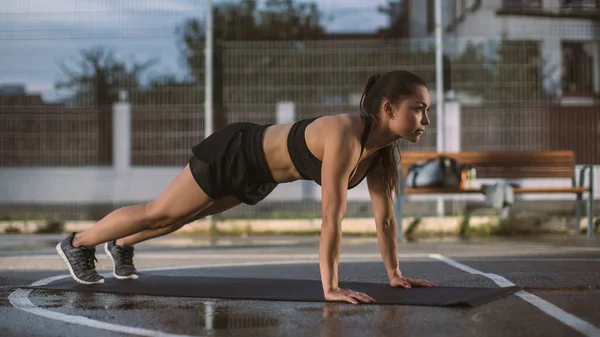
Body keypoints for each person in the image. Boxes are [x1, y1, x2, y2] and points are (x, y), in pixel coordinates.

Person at [56, 69, 436, 305]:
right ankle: (76, 244)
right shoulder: (345, 133)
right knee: (162, 212)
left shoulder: (384, 154)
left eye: (426, 110)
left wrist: (394, 274)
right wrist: (331, 287)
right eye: (418, 108)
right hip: (236, 152)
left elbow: (385, 219)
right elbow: (330, 219)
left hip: (259, 174)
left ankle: (121, 244)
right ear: (388, 108)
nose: (425, 119)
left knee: (186, 215)